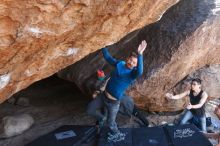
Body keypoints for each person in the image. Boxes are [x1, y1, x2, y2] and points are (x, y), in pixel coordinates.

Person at [87, 40, 147, 142]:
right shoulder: (120, 64)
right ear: (127, 58)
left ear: (135, 65)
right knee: (89, 110)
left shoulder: (132, 74)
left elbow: (140, 71)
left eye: (134, 63)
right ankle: (102, 118)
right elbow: (108, 58)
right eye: (130, 60)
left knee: (111, 124)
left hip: (113, 103)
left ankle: (117, 134)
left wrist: (140, 54)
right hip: (103, 96)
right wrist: (103, 45)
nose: (131, 63)